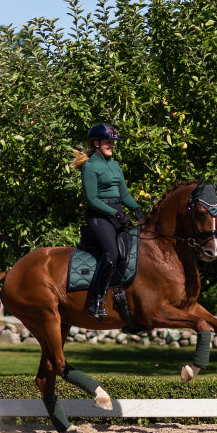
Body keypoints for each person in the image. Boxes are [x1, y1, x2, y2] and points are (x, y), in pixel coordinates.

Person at [73, 122, 144, 320]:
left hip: (118, 212)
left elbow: (124, 194)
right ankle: (97, 300)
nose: (112, 145)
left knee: (132, 250)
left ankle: (120, 291)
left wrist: (136, 208)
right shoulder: (90, 166)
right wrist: (114, 214)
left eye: (113, 142)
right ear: (96, 143)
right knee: (112, 253)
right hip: (99, 216)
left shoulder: (114, 165)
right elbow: (92, 199)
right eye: (108, 142)